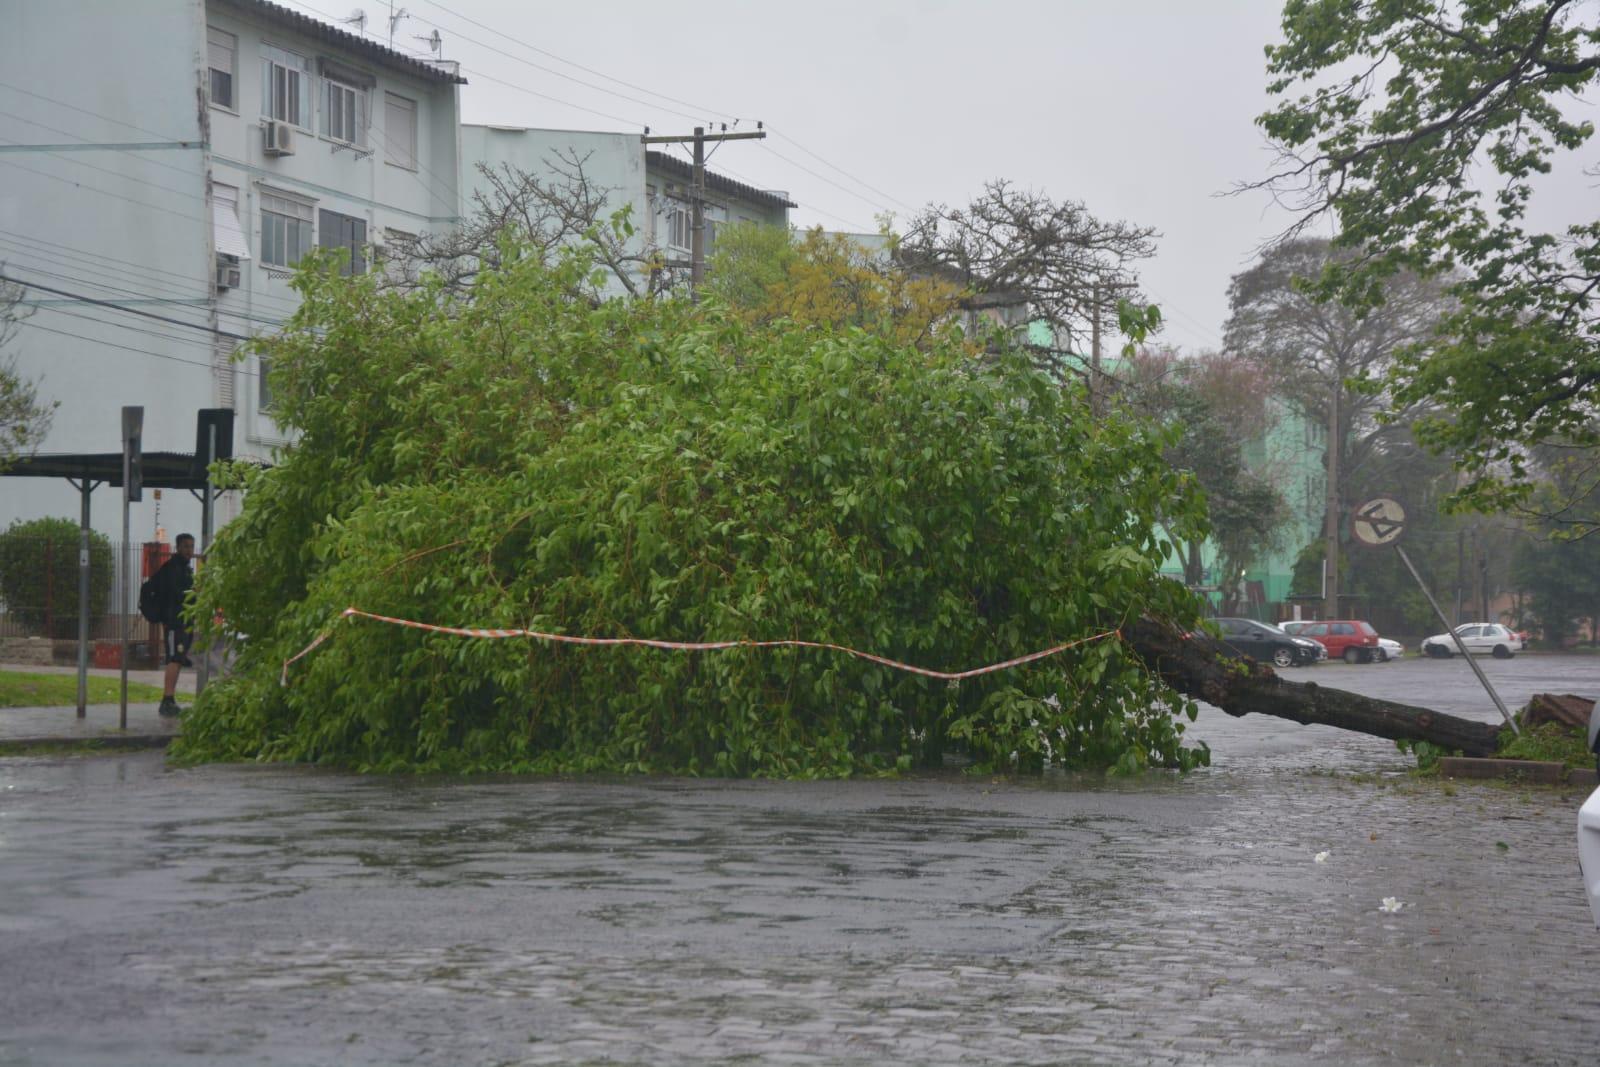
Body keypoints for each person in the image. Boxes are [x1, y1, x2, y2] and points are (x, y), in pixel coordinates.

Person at [153, 533, 195, 717]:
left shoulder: (185, 568)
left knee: (178, 659)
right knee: (173, 658)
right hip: (174, 622)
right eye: (186, 546)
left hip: (184, 622)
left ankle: (170, 699)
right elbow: (176, 593)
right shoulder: (173, 568)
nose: (189, 550)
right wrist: (193, 592)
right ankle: (166, 700)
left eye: (192, 546)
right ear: (177, 547)